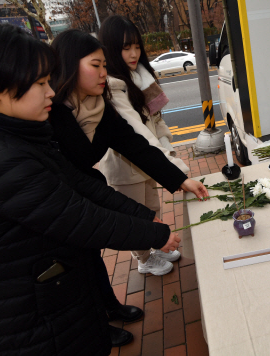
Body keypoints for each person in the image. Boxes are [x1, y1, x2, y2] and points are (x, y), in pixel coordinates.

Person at [0, 20, 180, 355]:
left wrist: (146, 219)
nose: (51, 91)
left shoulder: (15, 135)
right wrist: (154, 234)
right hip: (28, 325)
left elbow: (81, 184)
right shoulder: (0, 159)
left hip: (50, 302)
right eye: (39, 82)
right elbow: (80, 218)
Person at [47, 29, 208, 344]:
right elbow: (78, 180)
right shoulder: (50, 112)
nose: (104, 73)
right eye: (96, 65)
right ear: (69, 65)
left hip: (84, 188)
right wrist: (148, 227)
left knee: (91, 258)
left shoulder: (97, 104)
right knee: (77, 268)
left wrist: (179, 179)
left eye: (105, 65)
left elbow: (135, 145)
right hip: (65, 198)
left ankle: (110, 307)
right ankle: (98, 328)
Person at [97, 15, 189, 273]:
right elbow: (137, 133)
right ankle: (144, 260)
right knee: (136, 217)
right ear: (111, 49)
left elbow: (156, 120)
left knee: (152, 207)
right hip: (126, 167)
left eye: (136, 46)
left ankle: (156, 246)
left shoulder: (141, 77)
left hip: (150, 160)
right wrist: (173, 167)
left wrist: (167, 149)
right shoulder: (113, 86)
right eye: (126, 47)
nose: (134, 53)